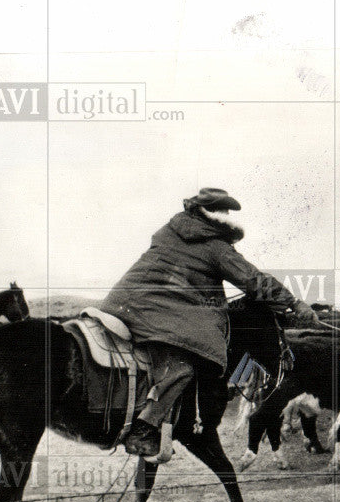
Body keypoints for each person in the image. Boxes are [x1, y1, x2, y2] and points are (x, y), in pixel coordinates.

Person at [102, 188, 319, 459]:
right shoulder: (214, 246)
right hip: (156, 311)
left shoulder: (168, 232)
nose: (228, 215)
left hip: (121, 304)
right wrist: (293, 303)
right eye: (225, 211)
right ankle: (144, 427)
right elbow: (253, 280)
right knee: (183, 366)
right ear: (214, 215)